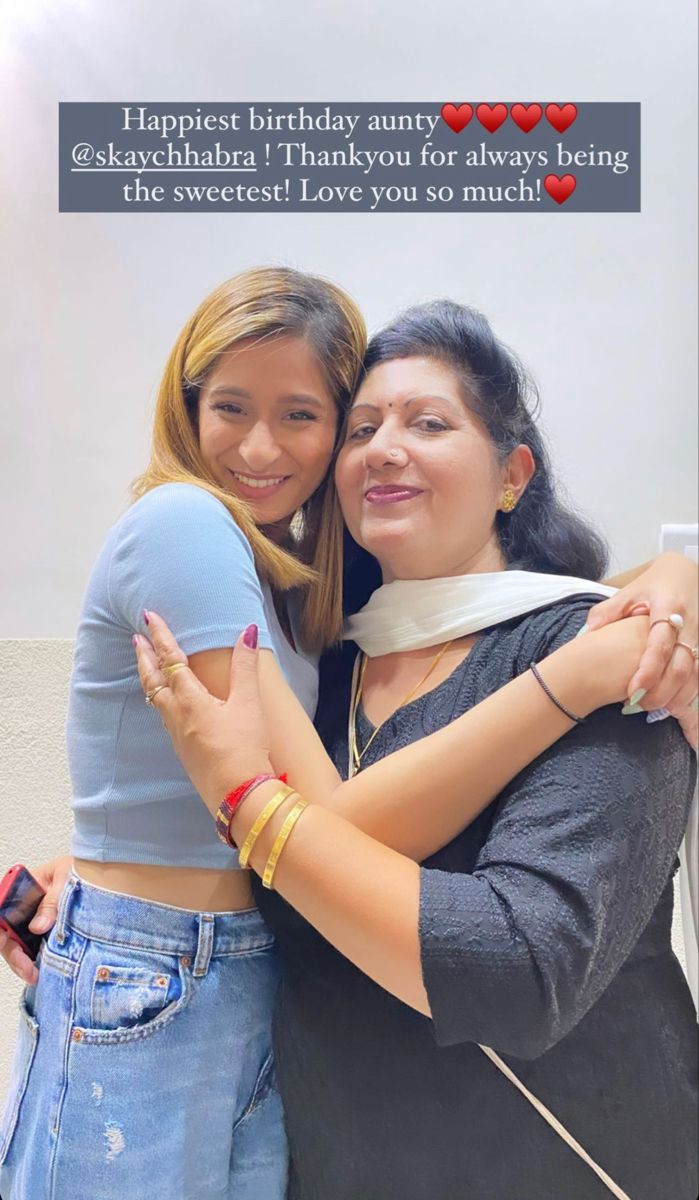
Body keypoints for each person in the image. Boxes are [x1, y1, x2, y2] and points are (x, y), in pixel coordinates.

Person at [0, 282, 697, 1200]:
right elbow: (307, 839)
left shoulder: (611, 652)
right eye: (361, 427)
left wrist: (671, 578)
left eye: (428, 423)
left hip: (557, 1164)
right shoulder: (334, 657)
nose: (384, 449)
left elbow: (521, 968)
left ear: (512, 475)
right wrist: (103, 877)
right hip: (332, 1151)